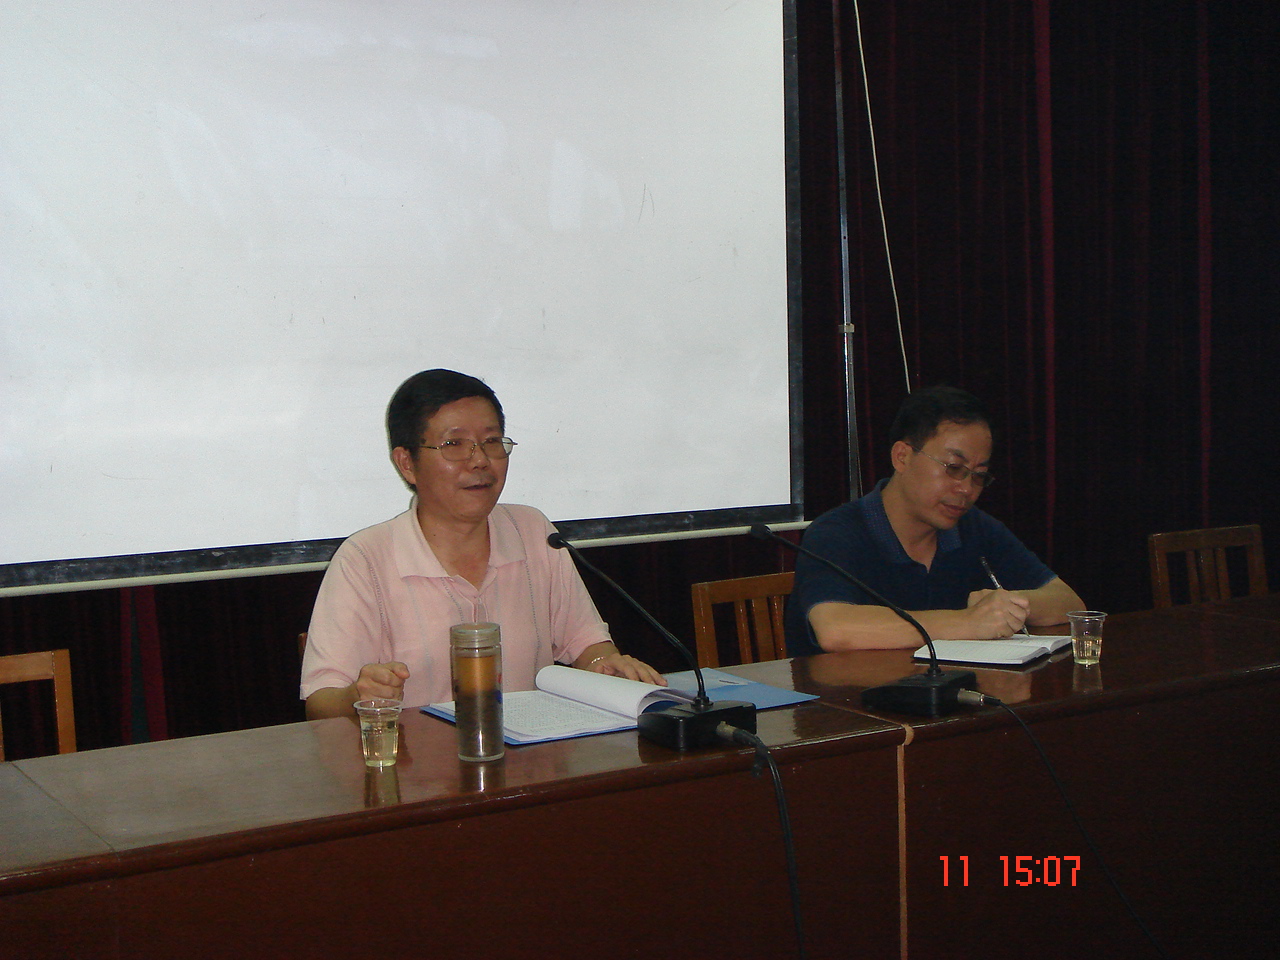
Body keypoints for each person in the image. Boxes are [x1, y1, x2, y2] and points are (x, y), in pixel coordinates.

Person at [302, 369, 664, 718]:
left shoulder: (532, 531)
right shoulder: (365, 559)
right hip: (418, 758)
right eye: (454, 444)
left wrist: (606, 665)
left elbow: (586, 643)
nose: (479, 460)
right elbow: (321, 702)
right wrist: (357, 697)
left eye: (491, 442)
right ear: (407, 463)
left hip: (530, 753)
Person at [785, 385, 1083, 655]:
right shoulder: (835, 532)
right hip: (845, 696)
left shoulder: (974, 527)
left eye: (979, 475)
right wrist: (968, 622)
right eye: (953, 468)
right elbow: (835, 630)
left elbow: (1069, 603)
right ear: (902, 457)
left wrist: (1007, 606)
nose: (966, 489)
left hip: (947, 694)